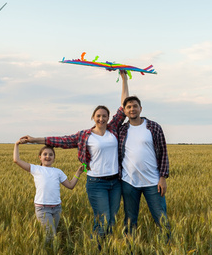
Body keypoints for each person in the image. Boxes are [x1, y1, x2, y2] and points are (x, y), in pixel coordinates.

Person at [20, 72, 129, 239]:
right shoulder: (84, 135)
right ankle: (98, 250)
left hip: (115, 182)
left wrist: (124, 79)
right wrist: (35, 139)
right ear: (93, 117)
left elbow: (124, 106)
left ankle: (108, 250)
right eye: (98, 116)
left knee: (111, 219)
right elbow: (61, 141)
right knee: (103, 219)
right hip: (96, 182)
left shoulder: (113, 128)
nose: (101, 118)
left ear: (108, 118)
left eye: (104, 116)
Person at [118, 94, 170, 239]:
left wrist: (163, 178)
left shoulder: (153, 127)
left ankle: (168, 250)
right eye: (128, 107)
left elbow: (163, 153)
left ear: (140, 108)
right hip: (129, 183)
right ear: (125, 110)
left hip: (153, 182)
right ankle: (129, 252)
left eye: (135, 106)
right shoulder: (122, 130)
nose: (132, 109)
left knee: (161, 218)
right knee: (130, 220)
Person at [13, 138, 82, 240]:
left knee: (50, 235)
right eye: (45, 154)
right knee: (50, 235)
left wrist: (78, 174)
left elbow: (70, 186)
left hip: (57, 208)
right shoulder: (36, 169)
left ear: (54, 158)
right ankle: (47, 254)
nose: (48, 157)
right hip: (43, 208)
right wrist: (17, 144)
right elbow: (16, 160)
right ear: (40, 157)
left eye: (51, 155)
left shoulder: (58, 172)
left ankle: (49, 253)